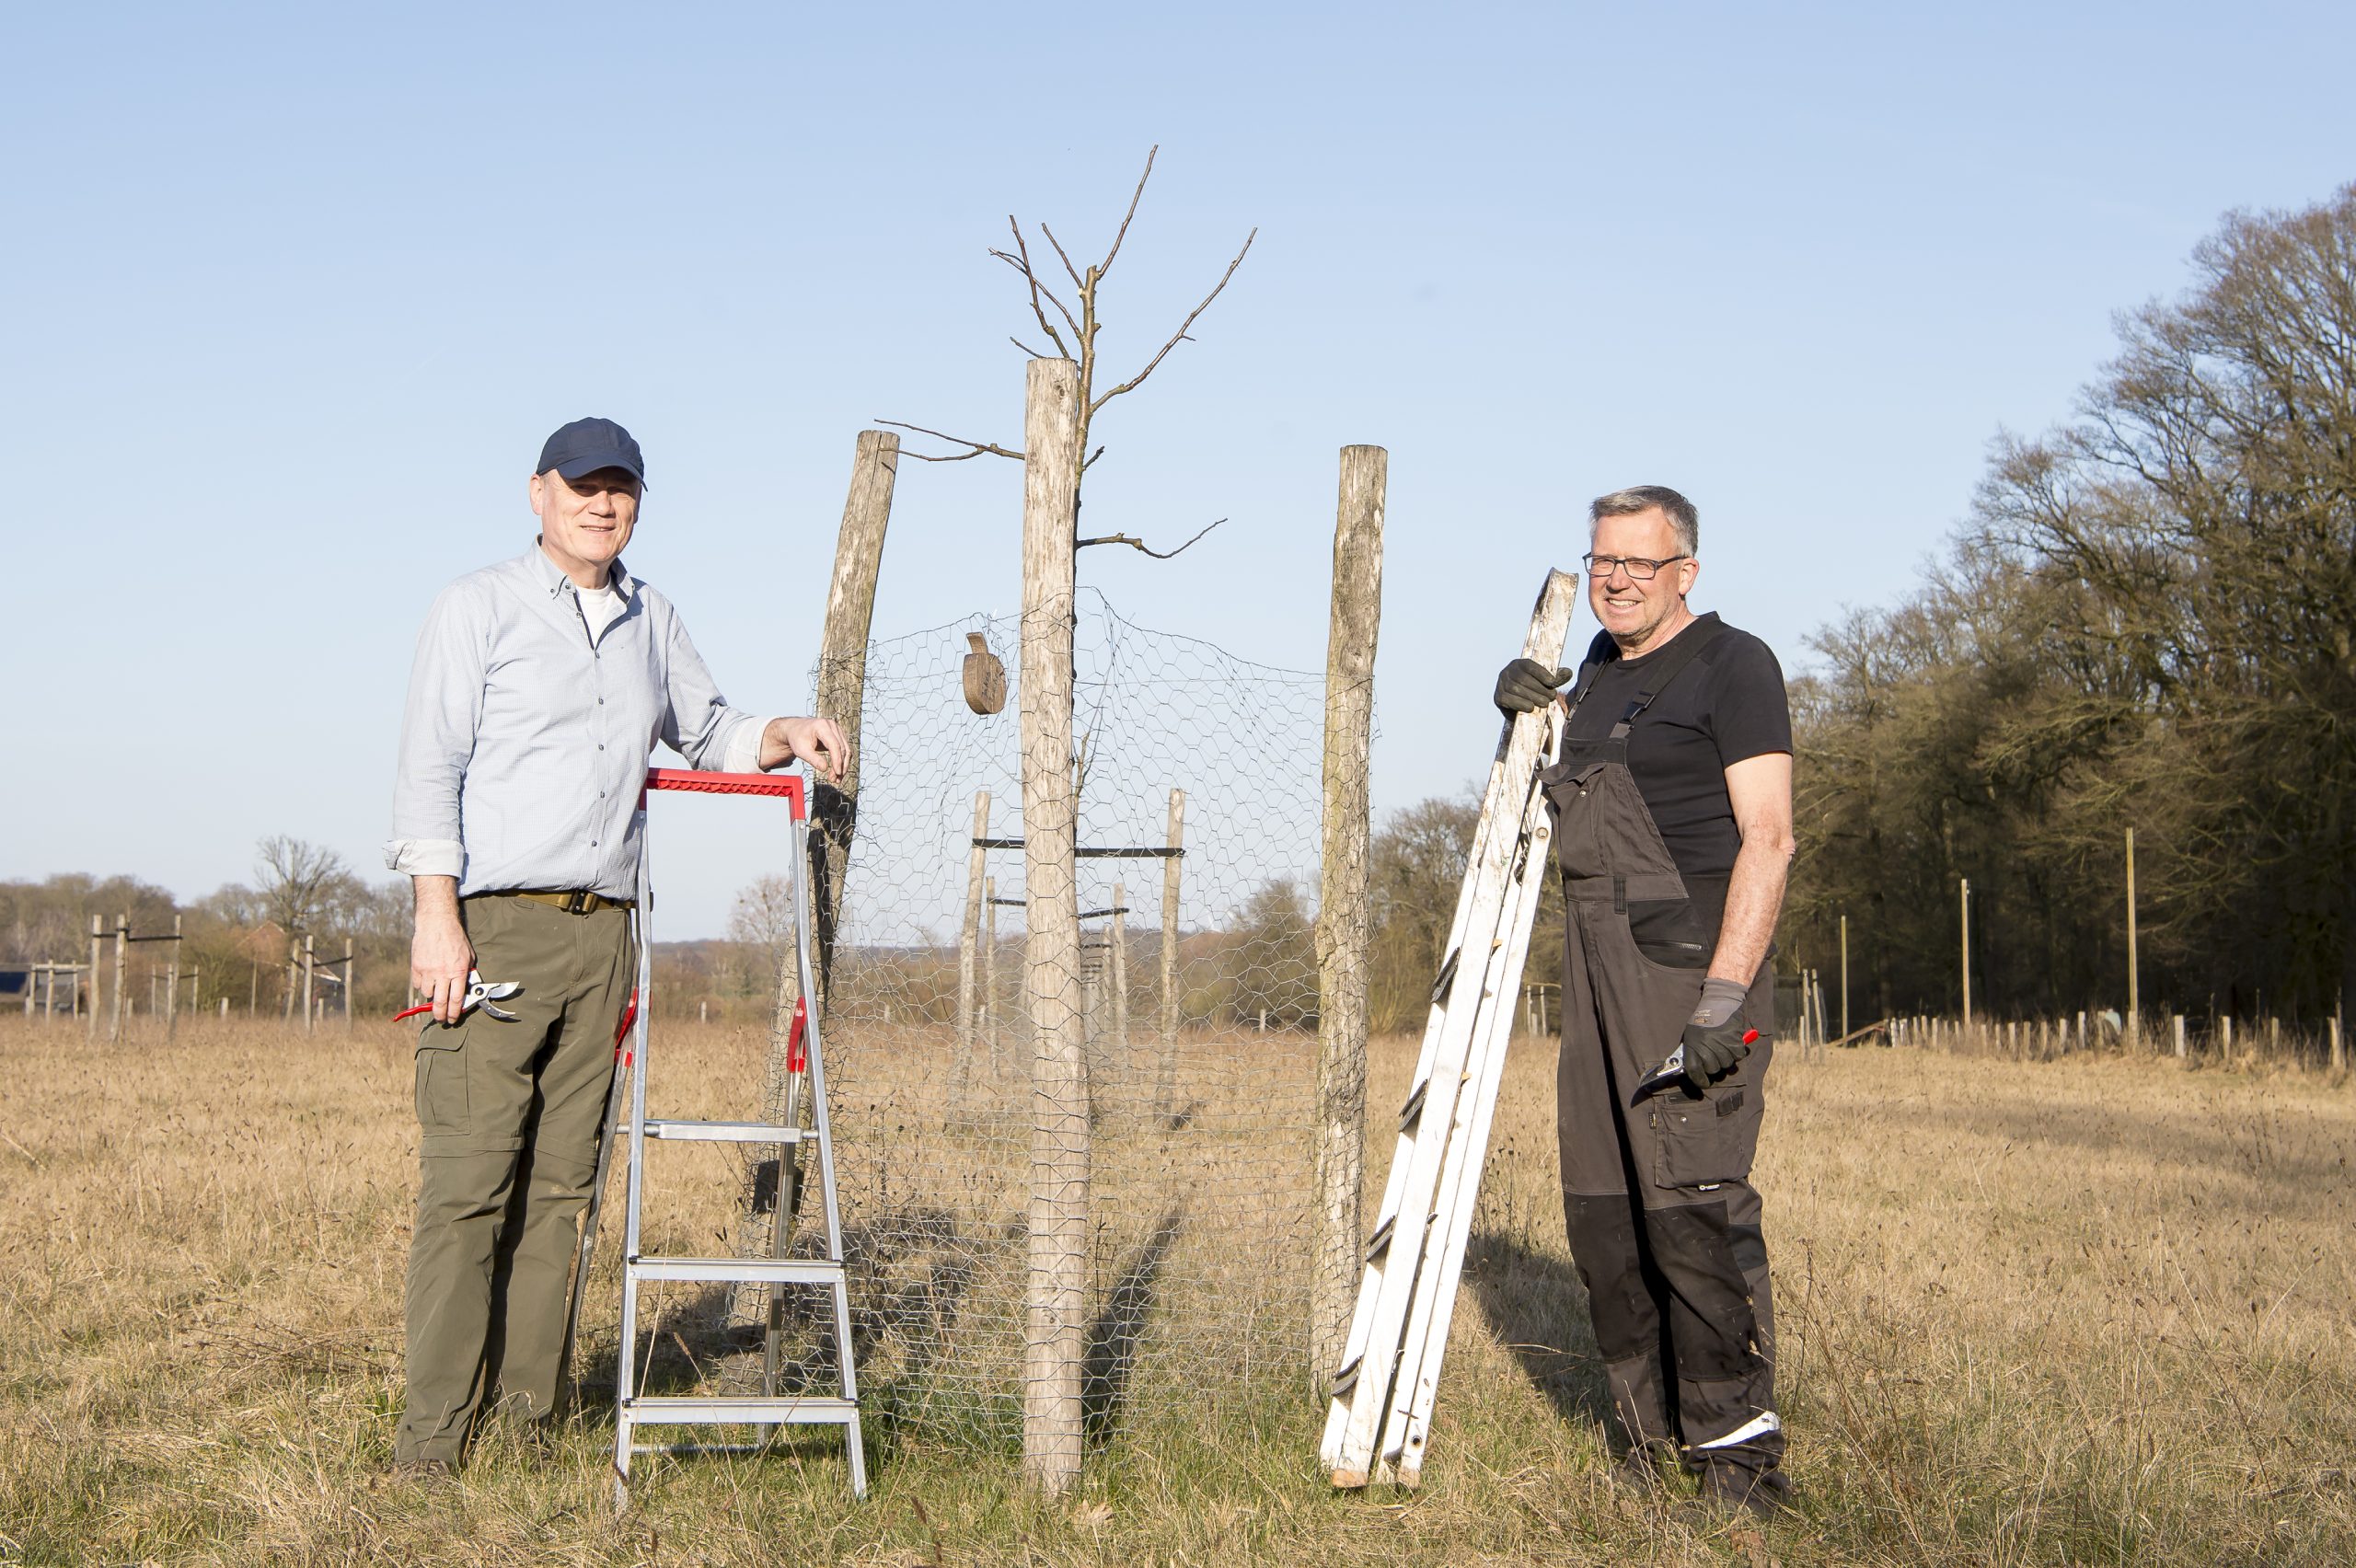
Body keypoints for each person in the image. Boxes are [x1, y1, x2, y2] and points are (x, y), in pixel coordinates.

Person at [384, 416, 846, 1475]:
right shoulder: (478, 608)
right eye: (583, 485)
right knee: (469, 1184)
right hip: (494, 923)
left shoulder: (652, 617)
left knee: (562, 1187)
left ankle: (525, 1424)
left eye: (621, 488)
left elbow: (712, 729)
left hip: (608, 936)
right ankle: (430, 1444)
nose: (603, 504)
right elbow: (427, 771)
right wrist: (435, 915)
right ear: (538, 494)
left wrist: (785, 731)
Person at [1493, 485, 1796, 1516]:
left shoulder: (1732, 665)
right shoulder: (1599, 674)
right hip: (1591, 977)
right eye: (1601, 562)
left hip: (1688, 980)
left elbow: (1769, 838)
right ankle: (1646, 1446)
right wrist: (1537, 716)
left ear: (1685, 574)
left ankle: (1740, 1469)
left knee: (1692, 1217)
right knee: (1607, 1220)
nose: (1614, 581)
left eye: (1637, 564)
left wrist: (1724, 999)